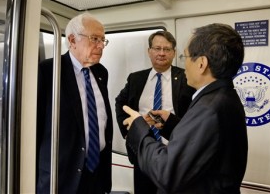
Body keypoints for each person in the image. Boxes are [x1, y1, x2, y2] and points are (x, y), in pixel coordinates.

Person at [122, 23, 248, 194]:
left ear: (202, 63)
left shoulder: (209, 108)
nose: (184, 63)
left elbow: (167, 173)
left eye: (185, 56)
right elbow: (203, 143)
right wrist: (171, 124)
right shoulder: (224, 97)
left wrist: (139, 129)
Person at [36, 12, 113, 194]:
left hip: (97, 173)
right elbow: (35, 129)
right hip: (62, 177)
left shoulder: (101, 72)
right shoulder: (48, 71)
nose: (101, 45)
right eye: (95, 39)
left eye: (103, 40)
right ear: (72, 40)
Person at [115, 30, 195, 194]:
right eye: (157, 48)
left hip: (174, 153)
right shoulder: (135, 78)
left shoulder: (186, 78)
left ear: (173, 53)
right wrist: (128, 133)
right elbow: (120, 103)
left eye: (167, 49)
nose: (161, 53)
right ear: (149, 51)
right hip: (142, 152)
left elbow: (193, 114)